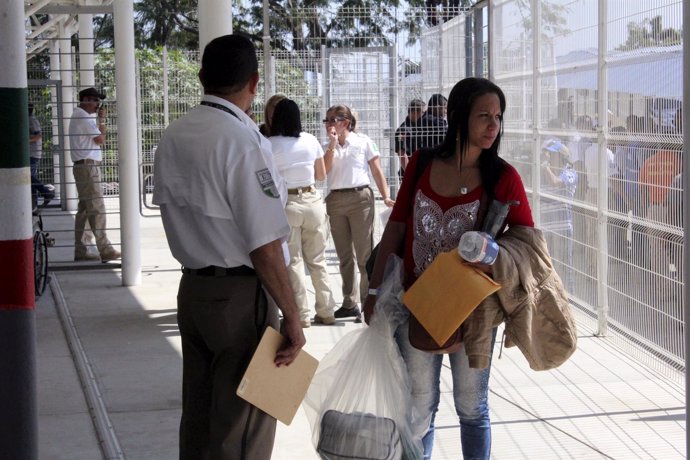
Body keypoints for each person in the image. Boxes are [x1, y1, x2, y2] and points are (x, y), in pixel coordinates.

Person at [152, 34, 306, 459]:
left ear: (201, 77)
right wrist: (292, 315)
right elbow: (264, 244)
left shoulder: (174, 135)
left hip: (194, 292)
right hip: (241, 296)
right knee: (243, 428)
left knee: (200, 421)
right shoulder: (241, 141)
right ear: (255, 82)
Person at [364, 77, 534, 460]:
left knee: (472, 408)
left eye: (498, 117)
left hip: (473, 314)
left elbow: (528, 239)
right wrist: (375, 291)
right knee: (418, 407)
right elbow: (397, 225)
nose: (494, 126)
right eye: (484, 116)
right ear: (458, 116)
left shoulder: (504, 177)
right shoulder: (423, 164)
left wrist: (492, 251)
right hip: (415, 305)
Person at [322, 105, 395, 321]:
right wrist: (332, 145)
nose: (327, 124)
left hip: (360, 199)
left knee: (364, 255)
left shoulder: (363, 141)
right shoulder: (327, 145)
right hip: (335, 200)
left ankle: (366, 303)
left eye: (331, 120)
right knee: (344, 256)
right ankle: (348, 302)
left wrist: (385, 196)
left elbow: (376, 169)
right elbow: (323, 172)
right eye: (326, 120)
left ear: (345, 122)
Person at [269, 98, 337, 327]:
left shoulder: (269, 144)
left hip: (286, 204)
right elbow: (320, 176)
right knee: (318, 260)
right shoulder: (309, 140)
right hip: (312, 200)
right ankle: (327, 310)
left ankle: (302, 315)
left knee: (294, 261)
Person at [68, 87, 121, 262]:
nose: (97, 105)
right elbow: (100, 140)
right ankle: (105, 249)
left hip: (84, 166)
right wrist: (102, 120)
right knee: (96, 208)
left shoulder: (79, 115)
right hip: (87, 166)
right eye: (96, 101)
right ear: (86, 99)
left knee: (85, 209)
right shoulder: (83, 117)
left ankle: (81, 250)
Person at [540, 139, 578, 291]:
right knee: (547, 268)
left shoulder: (569, 173)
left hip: (562, 228)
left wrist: (545, 166)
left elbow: (555, 182)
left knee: (564, 267)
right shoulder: (543, 173)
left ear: (561, 156)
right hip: (546, 229)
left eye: (551, 154)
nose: (547, 157)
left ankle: (570, 300)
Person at [29, 103, 55, 207]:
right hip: (32, 152)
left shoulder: (31, 120)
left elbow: (38, 136)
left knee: (28, 177)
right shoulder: (30, 119)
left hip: (32, 153)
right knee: (30, 179)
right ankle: (33, 204)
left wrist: (24, 141)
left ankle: (45, 191)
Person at [395, 98, 426, 175]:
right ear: (415, 113)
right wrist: (410, 175)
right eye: (423, 113)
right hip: (411, 174)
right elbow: (402, 155)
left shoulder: (421, 127)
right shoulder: (403, 130)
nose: (425, 115)